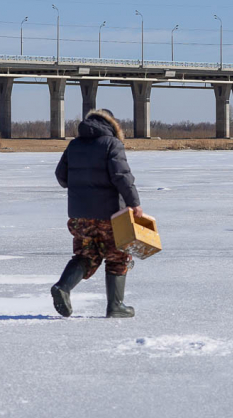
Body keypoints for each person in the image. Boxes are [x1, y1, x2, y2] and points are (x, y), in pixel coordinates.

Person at [53, 109, 142, 318]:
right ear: (112, 126)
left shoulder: (74, 145)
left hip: (79, 217)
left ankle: (63, 287)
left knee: (85, 255)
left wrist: (80, 187)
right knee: (118, 255)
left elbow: (61, 176)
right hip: (109, 216)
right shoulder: (112, 144)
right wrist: (134, 203)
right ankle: (115, 306)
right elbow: (122, 176)